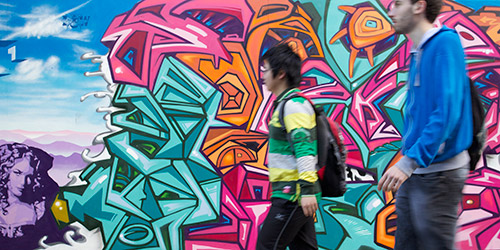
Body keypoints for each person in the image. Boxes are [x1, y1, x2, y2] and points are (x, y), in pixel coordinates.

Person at [377, 0, 472, 249]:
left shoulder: (444, 43)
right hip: (417, 172)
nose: (391, 10)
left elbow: (446, 113)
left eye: (398, 3)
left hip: (440, 174)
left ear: (419, 6)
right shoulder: (419, 51)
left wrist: (408, 162)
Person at [256, 44, 321, 250]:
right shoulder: (286, 104)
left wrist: (308, 190)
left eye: (265, 69)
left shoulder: (293, 105)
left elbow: (305, 148)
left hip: (292, 195)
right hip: (295, 194)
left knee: (266, 246)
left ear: (281, 73)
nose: (263, 75)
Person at [0, 143, 61, 248]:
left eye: (29, 176)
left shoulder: (41, 209)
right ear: (6, 172)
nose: (23, 182)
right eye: (17, 173)